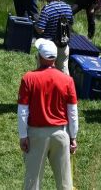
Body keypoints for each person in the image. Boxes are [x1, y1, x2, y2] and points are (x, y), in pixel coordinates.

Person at [18, 39, 78, 190]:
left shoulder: (28, 78)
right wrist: (73, 137)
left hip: (36, 135)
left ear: (39, 56)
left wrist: (23, 135)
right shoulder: (67, 80)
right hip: (61, 134)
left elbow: (23, 111)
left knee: (32, 182)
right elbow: (73, 112)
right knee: (65, 183)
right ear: (54, 58)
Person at [35, 0, 73, 74]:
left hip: (48, 47)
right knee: (63, 72)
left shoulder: (47, 9)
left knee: (43, 72)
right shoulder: (68, 7)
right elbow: (70, 24)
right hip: (63, 46)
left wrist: (35, 24)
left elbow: (40, 30)